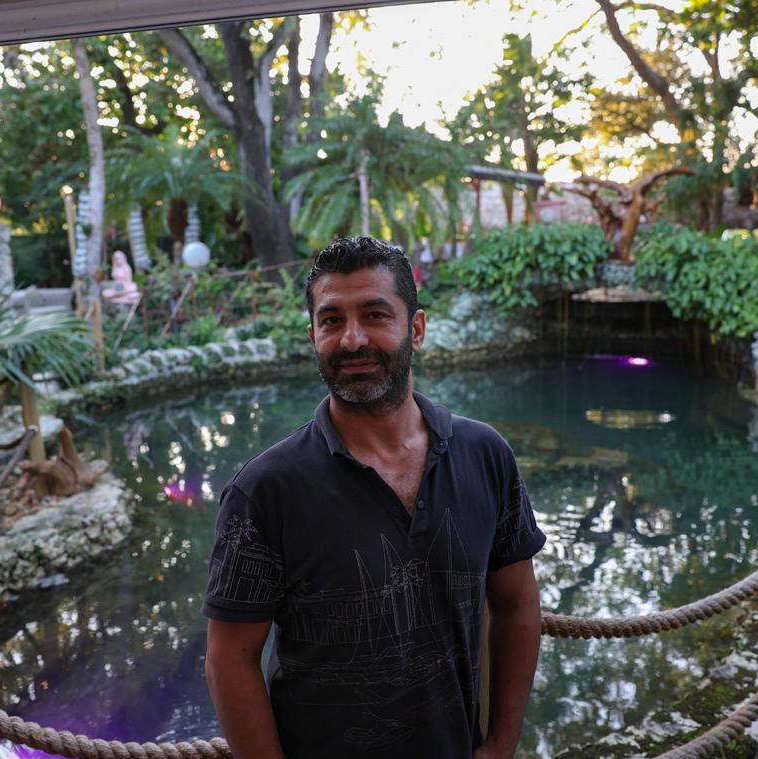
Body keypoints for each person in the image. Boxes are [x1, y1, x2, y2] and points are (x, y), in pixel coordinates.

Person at [201, 236, 545, 759]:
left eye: (376, 315)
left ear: (418, 328)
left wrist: (500, 744)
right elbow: (230, 659)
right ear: (312, 333)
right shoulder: (266, 490)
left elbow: (517, 604)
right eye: (332, 320)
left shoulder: (485, 455)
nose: (351, 339)